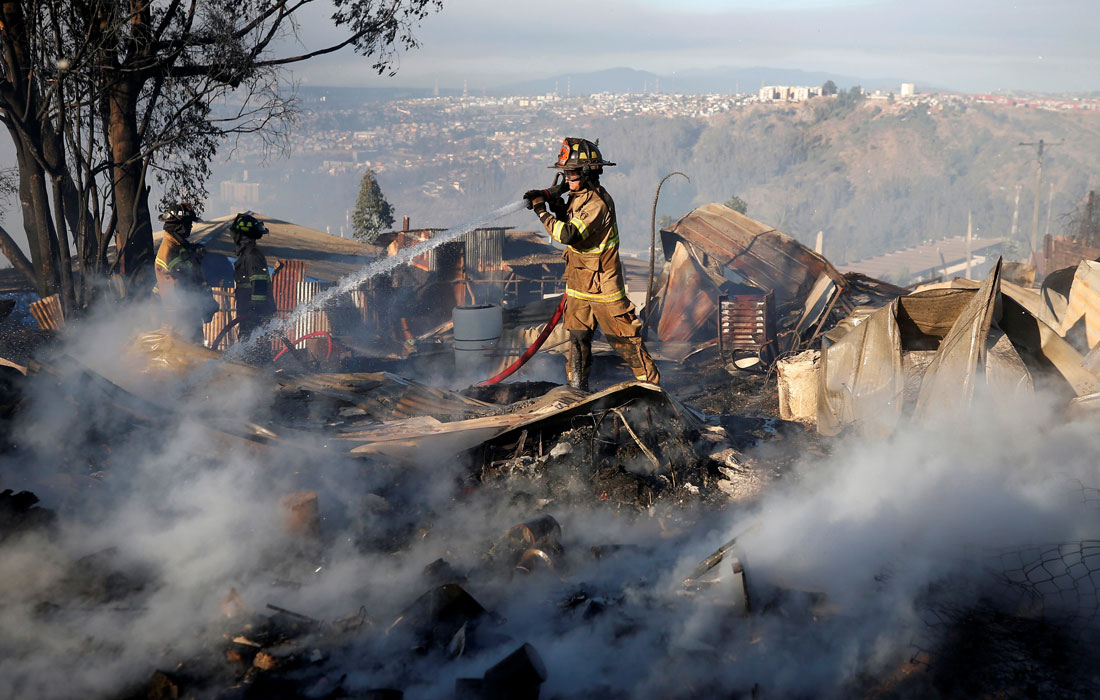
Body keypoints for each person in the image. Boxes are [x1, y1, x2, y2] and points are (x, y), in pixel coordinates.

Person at [524, 137, 660, 391]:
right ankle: (577, 390)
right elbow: (570, 219)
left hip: (604, 286)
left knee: (624, 341)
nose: (567, 179)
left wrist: (541, 210)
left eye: (572, 174)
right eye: (565, 174)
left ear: (588, 173)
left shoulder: (596, 203)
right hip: (578, 283)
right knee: (576, 339)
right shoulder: (579, 196)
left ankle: (652, 389)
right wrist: (556, 202)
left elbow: (568, 235)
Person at [154, 202, 216, 342]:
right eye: (188, 224)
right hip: (181, 318)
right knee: (185, 356)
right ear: (179, 226)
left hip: (188, 315)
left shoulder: (178, 246)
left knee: (195, 357)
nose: (190, 227)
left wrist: (194, 252)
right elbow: (184, 281)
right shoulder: (169, 252)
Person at [230, 213, 277, 360]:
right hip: (250, 314)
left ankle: (260, 379)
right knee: (249, 351)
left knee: (255, 353)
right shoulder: (247, 254)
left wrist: (255, 311)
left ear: (241, 234)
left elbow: (259, 284)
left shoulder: (252, 255)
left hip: (256, 316)